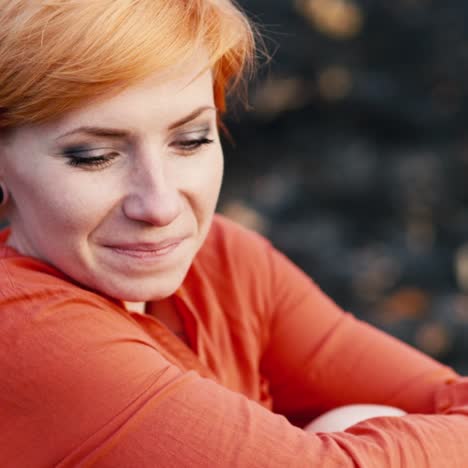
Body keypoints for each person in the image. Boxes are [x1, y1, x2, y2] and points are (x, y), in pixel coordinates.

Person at [0, 1, 467, 466]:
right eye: (94, 156)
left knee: (359, 421)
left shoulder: (220, 260)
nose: (160, 206)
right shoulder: (22, 330)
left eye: (191, 140)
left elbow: (450, 398)